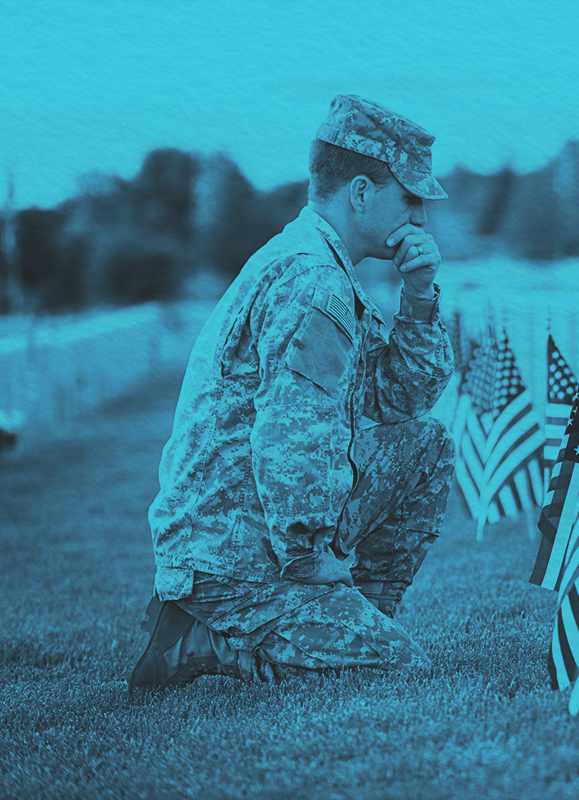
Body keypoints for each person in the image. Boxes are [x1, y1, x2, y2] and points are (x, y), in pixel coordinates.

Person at [128, 94, 455, 688]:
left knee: (426, 444)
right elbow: (291, 431)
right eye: (411, 201)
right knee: (402, 667)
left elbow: (397, 401)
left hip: (250, 533)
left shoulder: (319, 264)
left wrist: (419, 295)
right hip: (234, 556)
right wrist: (309, 554)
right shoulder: (312, 280)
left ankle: (358, 624)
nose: (421, 221)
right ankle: (209, 638)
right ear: (361, 193)